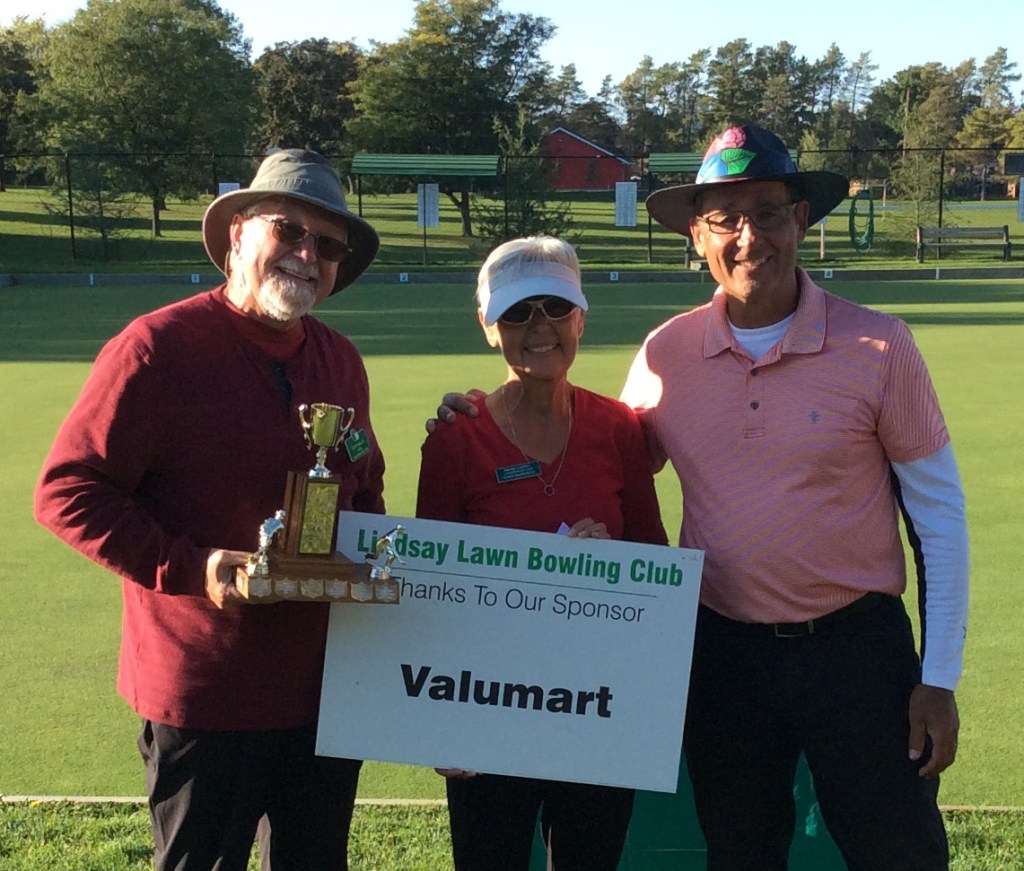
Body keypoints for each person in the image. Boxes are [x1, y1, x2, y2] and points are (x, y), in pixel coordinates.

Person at [433, 126, 969, 870]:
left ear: (800, 220)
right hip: (723, 654)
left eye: (768, 212)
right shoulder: (667, 352)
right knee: (740, 849)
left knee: (895, 850)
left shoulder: (881, 346)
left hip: (855, 652)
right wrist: (485, 415)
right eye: (725, 219)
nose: (749, 238)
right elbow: (600, 451)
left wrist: (938, 678)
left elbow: (939, 519)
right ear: (697, 235)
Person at [34, 149, 385, 871]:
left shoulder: (341, 360)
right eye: (288, 230)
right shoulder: (156, 348)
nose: (307, 255)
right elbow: (67, 491)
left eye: (327, 245)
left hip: (323, 695)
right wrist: (194, 568)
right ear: (237, 235)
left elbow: (363, 489)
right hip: (205, 694)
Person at [417, 236, 668, 870]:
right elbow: (431, 594)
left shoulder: (618, 429)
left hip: (596, 707)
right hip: (487, 707)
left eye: (555, 307)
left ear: (580, 318)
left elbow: (654, 566)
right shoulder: (455, 440)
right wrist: (441, 722)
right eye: (516, 312)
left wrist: (611, 564)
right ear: (488, 326)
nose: (539, 327)